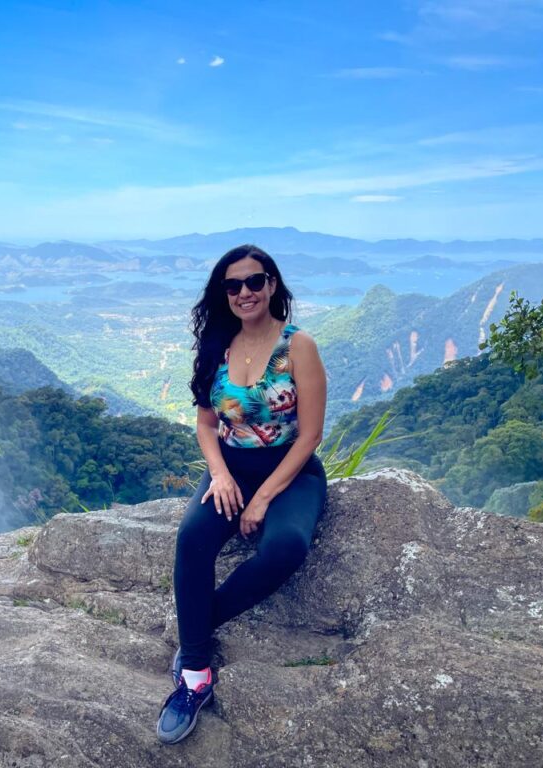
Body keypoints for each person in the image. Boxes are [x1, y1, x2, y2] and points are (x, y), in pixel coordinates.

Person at [156, 244, 328, 745]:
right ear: (223, 293)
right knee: (192, 539)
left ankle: (197, 627)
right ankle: (194, 675)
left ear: (272, 284)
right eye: (233, 286)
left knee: (284, 547)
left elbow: (311, 434)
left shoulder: (298, 346)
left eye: (255, 281)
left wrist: (263, 499)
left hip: (291, 471)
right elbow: (206, 424)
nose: (245, 292)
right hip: (230, 467)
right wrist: (220, 475)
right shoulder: (218, 346)